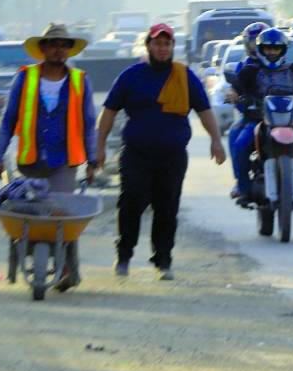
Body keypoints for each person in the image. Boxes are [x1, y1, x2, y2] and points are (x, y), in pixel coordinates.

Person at [95, 23, 226, 280]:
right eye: (157, 43)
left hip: (172, 155)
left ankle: (163, 260)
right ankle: (124, 255)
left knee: (167, 208)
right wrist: (99, 146)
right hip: (136, 154)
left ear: (173, 47)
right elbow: (109, 112)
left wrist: (216, 141)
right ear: (148, 46)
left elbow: (204, 111)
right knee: (131, 203)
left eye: (167, 44)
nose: (162, 48)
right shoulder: (131, 76)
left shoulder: (184, 76)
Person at [0, 23, 97, 194]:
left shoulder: (80, 81)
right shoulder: (24, 78)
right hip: (30, 164)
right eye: (54, 45)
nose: (59, 50)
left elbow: (89, 124)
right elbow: (8, 120)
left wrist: (92, 161)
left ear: (69, 50)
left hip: (64, 163)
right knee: (31, 208)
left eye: (64, 46)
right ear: (43, 48)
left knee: (59, 207)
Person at [227, 27, 293, 205]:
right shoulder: (250, 70)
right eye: (268, 48)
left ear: (283, 50)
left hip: (290, 122)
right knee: (241, 145)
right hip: (257, 121)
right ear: (261, 49)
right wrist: (232, 95)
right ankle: (244, 189)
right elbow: (234, 88)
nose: (272, 52)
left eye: (276, 48)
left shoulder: (292, 69)